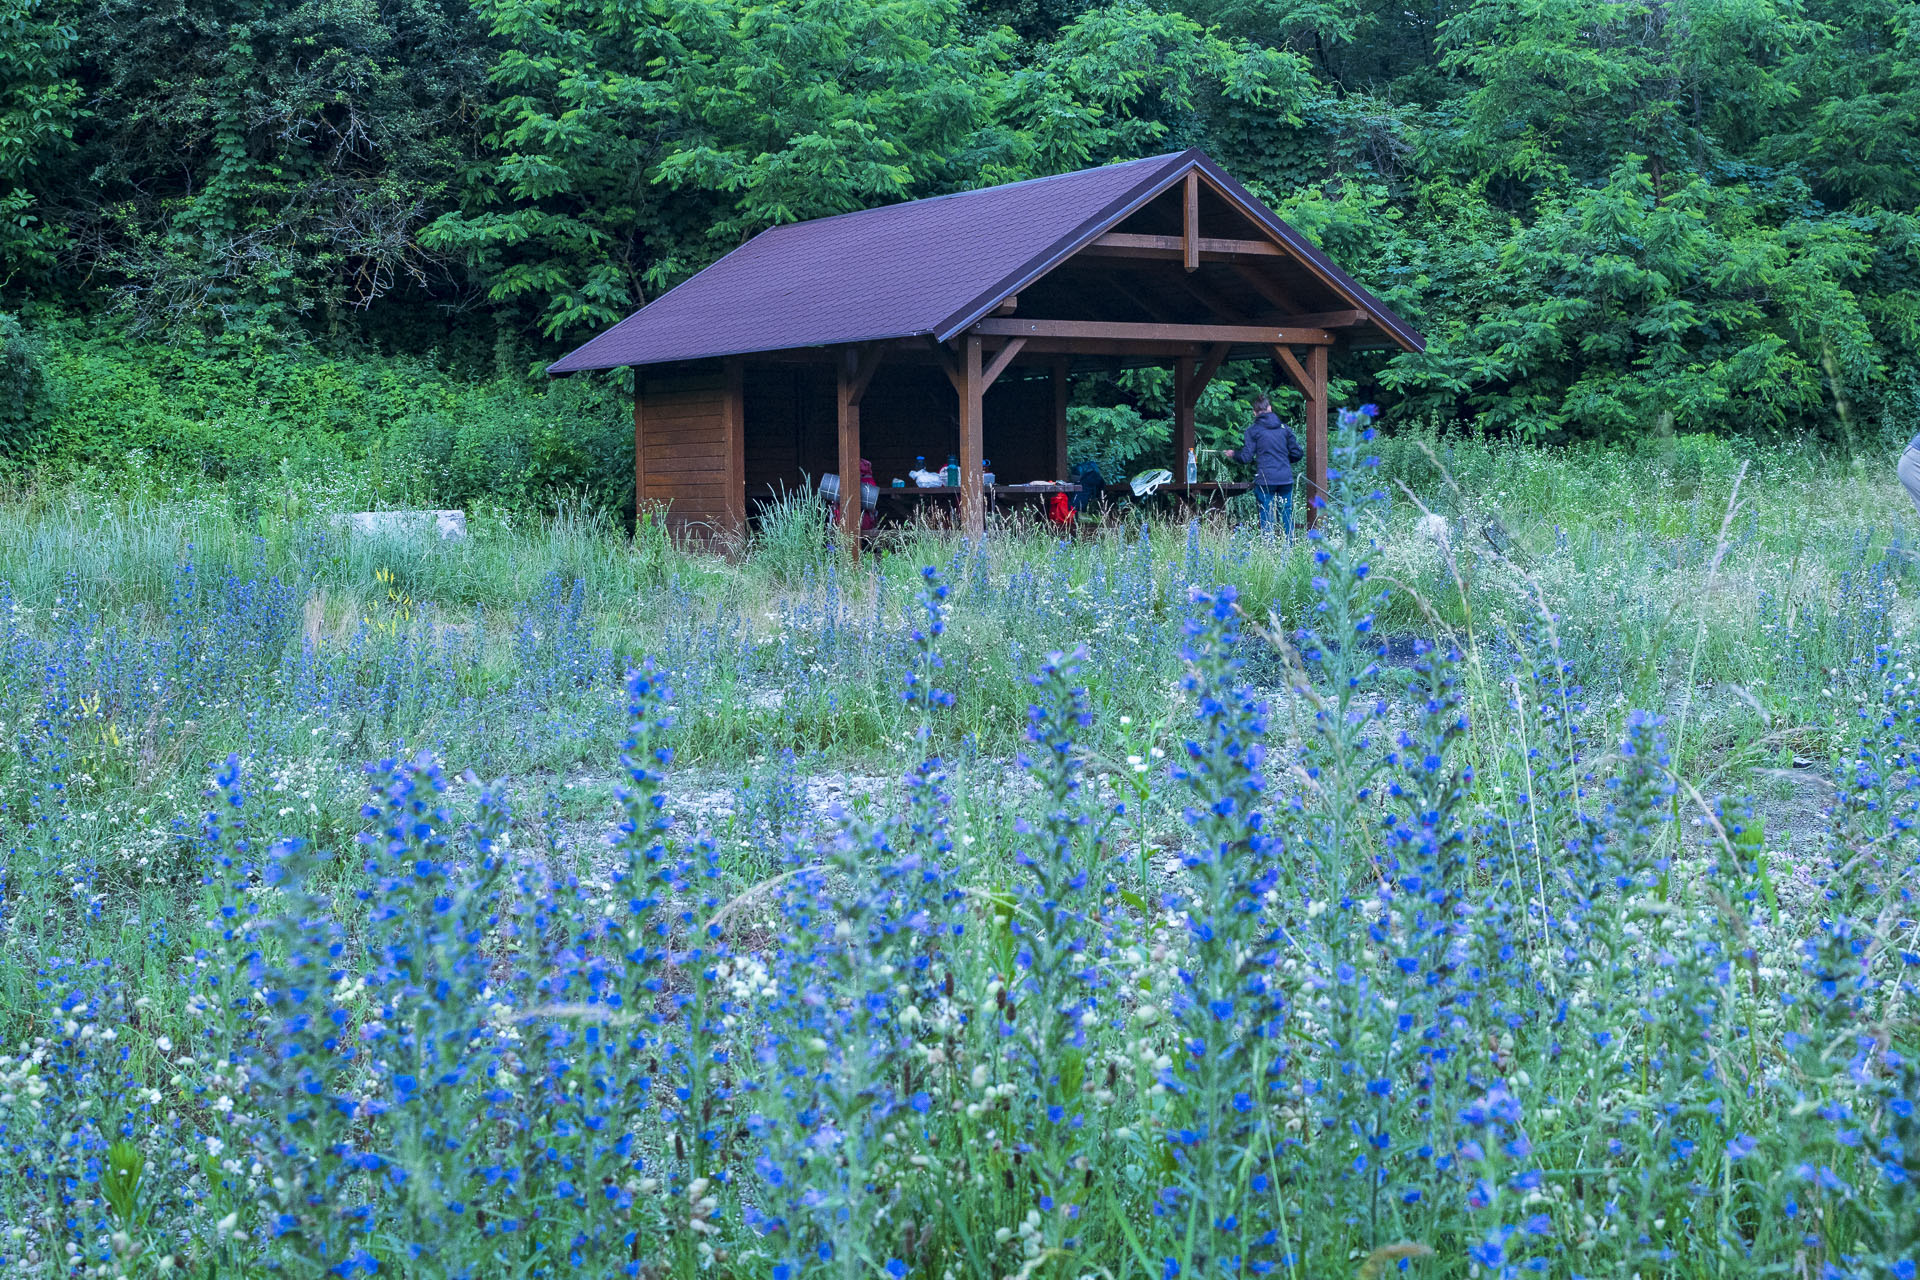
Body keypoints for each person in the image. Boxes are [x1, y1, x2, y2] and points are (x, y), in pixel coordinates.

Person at [1233, 394, 1305, 537]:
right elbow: (1298, 453)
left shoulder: (1253, 431)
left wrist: (1233, 454)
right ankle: (1288, 545)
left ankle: (1268, 546)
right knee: (1286, 513)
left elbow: (1246, 457)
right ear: (1270, 408)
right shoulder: (1285, 429)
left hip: (1265, 479)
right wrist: (1283, 460)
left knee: (1266, 514)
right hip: (1285, 478)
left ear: (1254, 413)